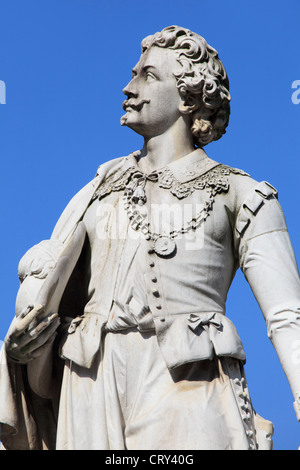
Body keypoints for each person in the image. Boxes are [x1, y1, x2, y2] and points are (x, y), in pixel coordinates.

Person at [1, 25, 300, 450]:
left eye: (148, 76)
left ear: (188, 95)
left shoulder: (242, 193)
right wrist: (22, 348)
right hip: (90, 383)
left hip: (188, 380)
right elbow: (47, 288)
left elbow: (287, 313)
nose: (128, 87)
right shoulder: (98, 188)